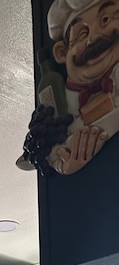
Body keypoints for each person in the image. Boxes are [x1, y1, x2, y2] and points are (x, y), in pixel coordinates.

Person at [46, 0, 119, 172]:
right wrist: (64, 165)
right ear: (62, 53)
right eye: (81, 34)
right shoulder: (58, 103)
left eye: (105, 20)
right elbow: (51, 152)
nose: (94, 38)